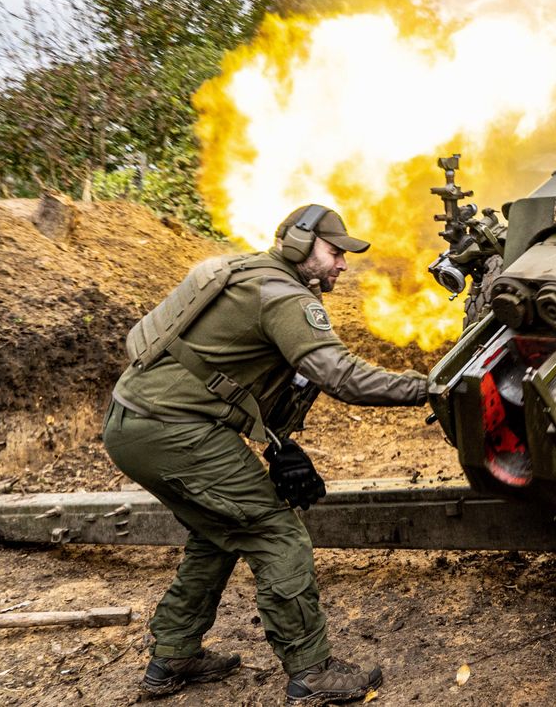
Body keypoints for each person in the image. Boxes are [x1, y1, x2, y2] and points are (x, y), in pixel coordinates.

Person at [105, 204, 428, 704]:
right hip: (176, 432)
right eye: (334, 251)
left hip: (131, 424)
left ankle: (172, 656)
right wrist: (427, 388)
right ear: (299, 245)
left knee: (219, 533)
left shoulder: (241, 270)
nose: (343, 264)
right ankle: (311, 673)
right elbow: (339, 374)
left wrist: (280, 443)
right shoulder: (285, 297)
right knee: (278, 535)